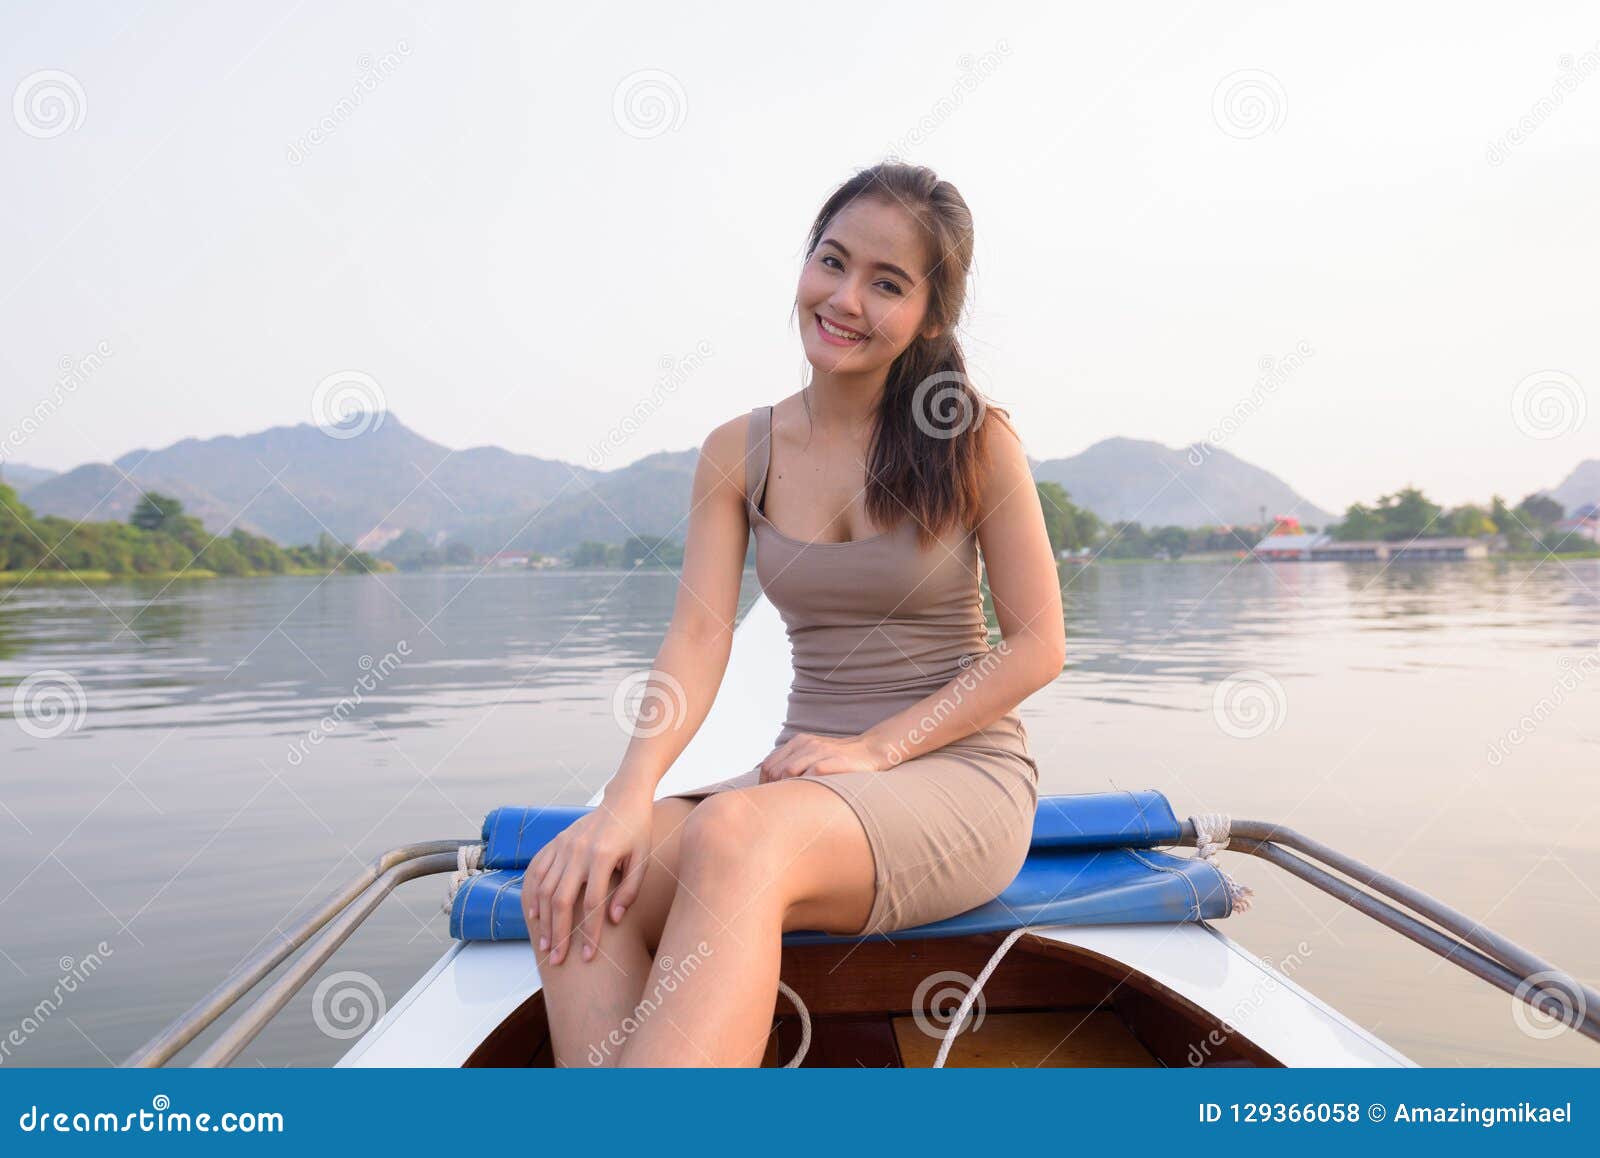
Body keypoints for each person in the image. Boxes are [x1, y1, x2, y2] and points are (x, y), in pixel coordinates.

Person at [525, 161, 1065, 1066]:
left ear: (930, 317)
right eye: (832, 261)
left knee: (734, 836)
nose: (845, 299)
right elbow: (698, 635)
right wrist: (626, 800)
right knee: (580, 880)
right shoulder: (740, 450)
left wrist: (876, 749)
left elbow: (1039, 646)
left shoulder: (974, 437)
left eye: (886, 284)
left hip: (954, 776)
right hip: (801, 781)